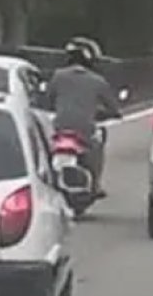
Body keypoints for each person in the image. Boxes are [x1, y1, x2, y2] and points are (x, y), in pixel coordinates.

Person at [47, 37, 122, 197]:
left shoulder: (57, 76)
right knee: (98, 145)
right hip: (85, 131)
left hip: (60, 127)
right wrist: (103, 114)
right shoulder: (98, 81)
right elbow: (114, 109)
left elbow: (48, 100)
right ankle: (95, 184)